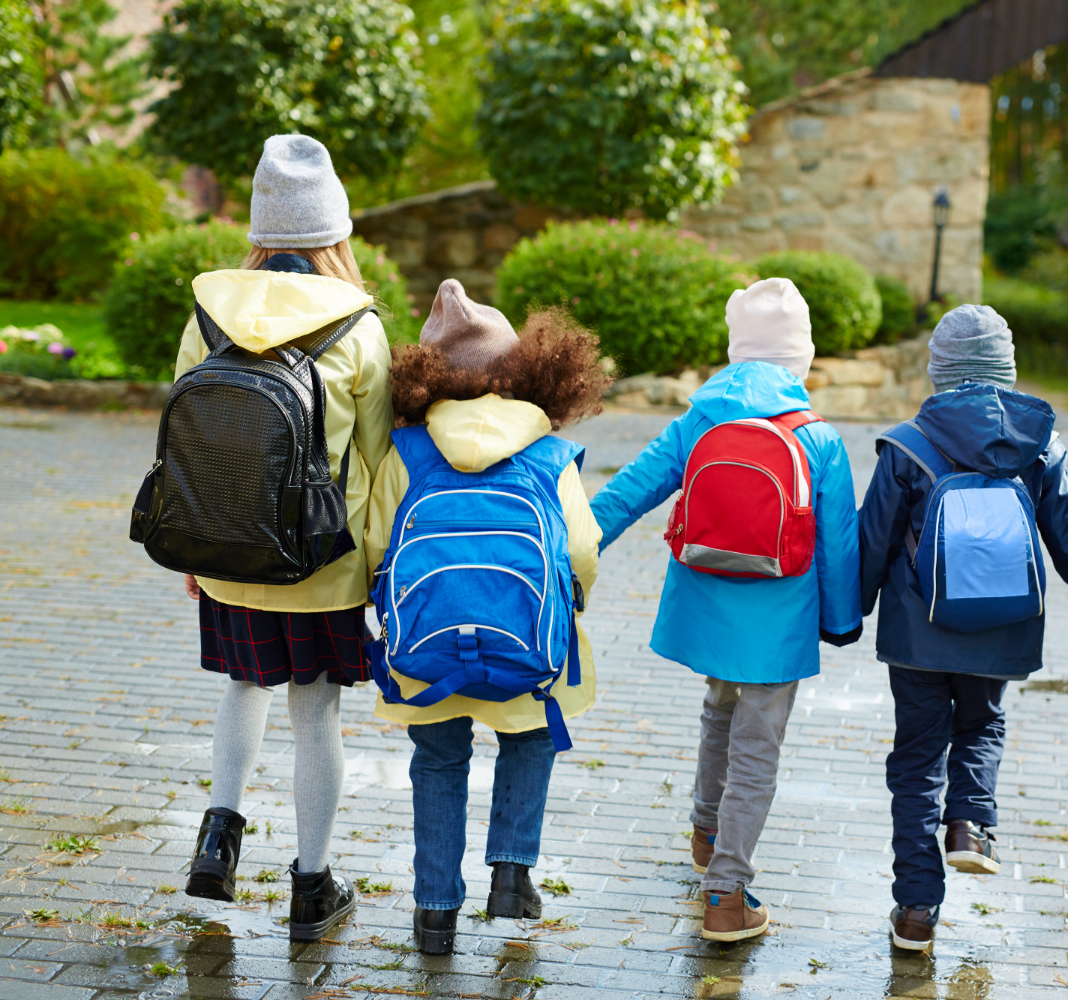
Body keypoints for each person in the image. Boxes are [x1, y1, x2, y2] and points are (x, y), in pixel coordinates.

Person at [858, 304, 1068, 952]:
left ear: (940, 371)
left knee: (917, 758)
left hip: (918, 632)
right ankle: (971, 827)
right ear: (1006, 371)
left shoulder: (908, 444)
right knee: (982, 724)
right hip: (1004, 627)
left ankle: (916, 909)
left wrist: (847, 615)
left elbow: (873, 538)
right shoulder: (1039, 444)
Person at [588, 278, 862, 942]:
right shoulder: (817, 436)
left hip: (705, 602)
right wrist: (841, 621)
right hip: (779, 613)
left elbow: (632, 489)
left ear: (737, 352)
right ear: (800, 359)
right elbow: (839, 541)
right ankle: (727, 897)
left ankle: (707, 834)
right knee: (758, 745)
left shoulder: (700, 419)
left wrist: (571, 543)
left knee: (719, 708)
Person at [178, 134, 392, 940]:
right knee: (316, 713)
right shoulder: (360, 327)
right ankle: (311, 886)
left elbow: (187, 440)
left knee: (241, 685)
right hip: (321, 561)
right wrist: (377, 570)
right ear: (335, 232)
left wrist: (196, 547)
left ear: (262, 227)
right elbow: (377, 466)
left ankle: (216, 840)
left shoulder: (209, 312)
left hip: (229, 550)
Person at [364, 282, 609, 955]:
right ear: (525, 369)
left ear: (426, 378)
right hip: (526, 646)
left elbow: (377, 546)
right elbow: (582, 550)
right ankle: (510, 876)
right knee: (530, 737)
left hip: (427, 651)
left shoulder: (408, 451)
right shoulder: (549, 453)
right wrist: (570, 600)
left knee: (438, 762)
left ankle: (435, 912)